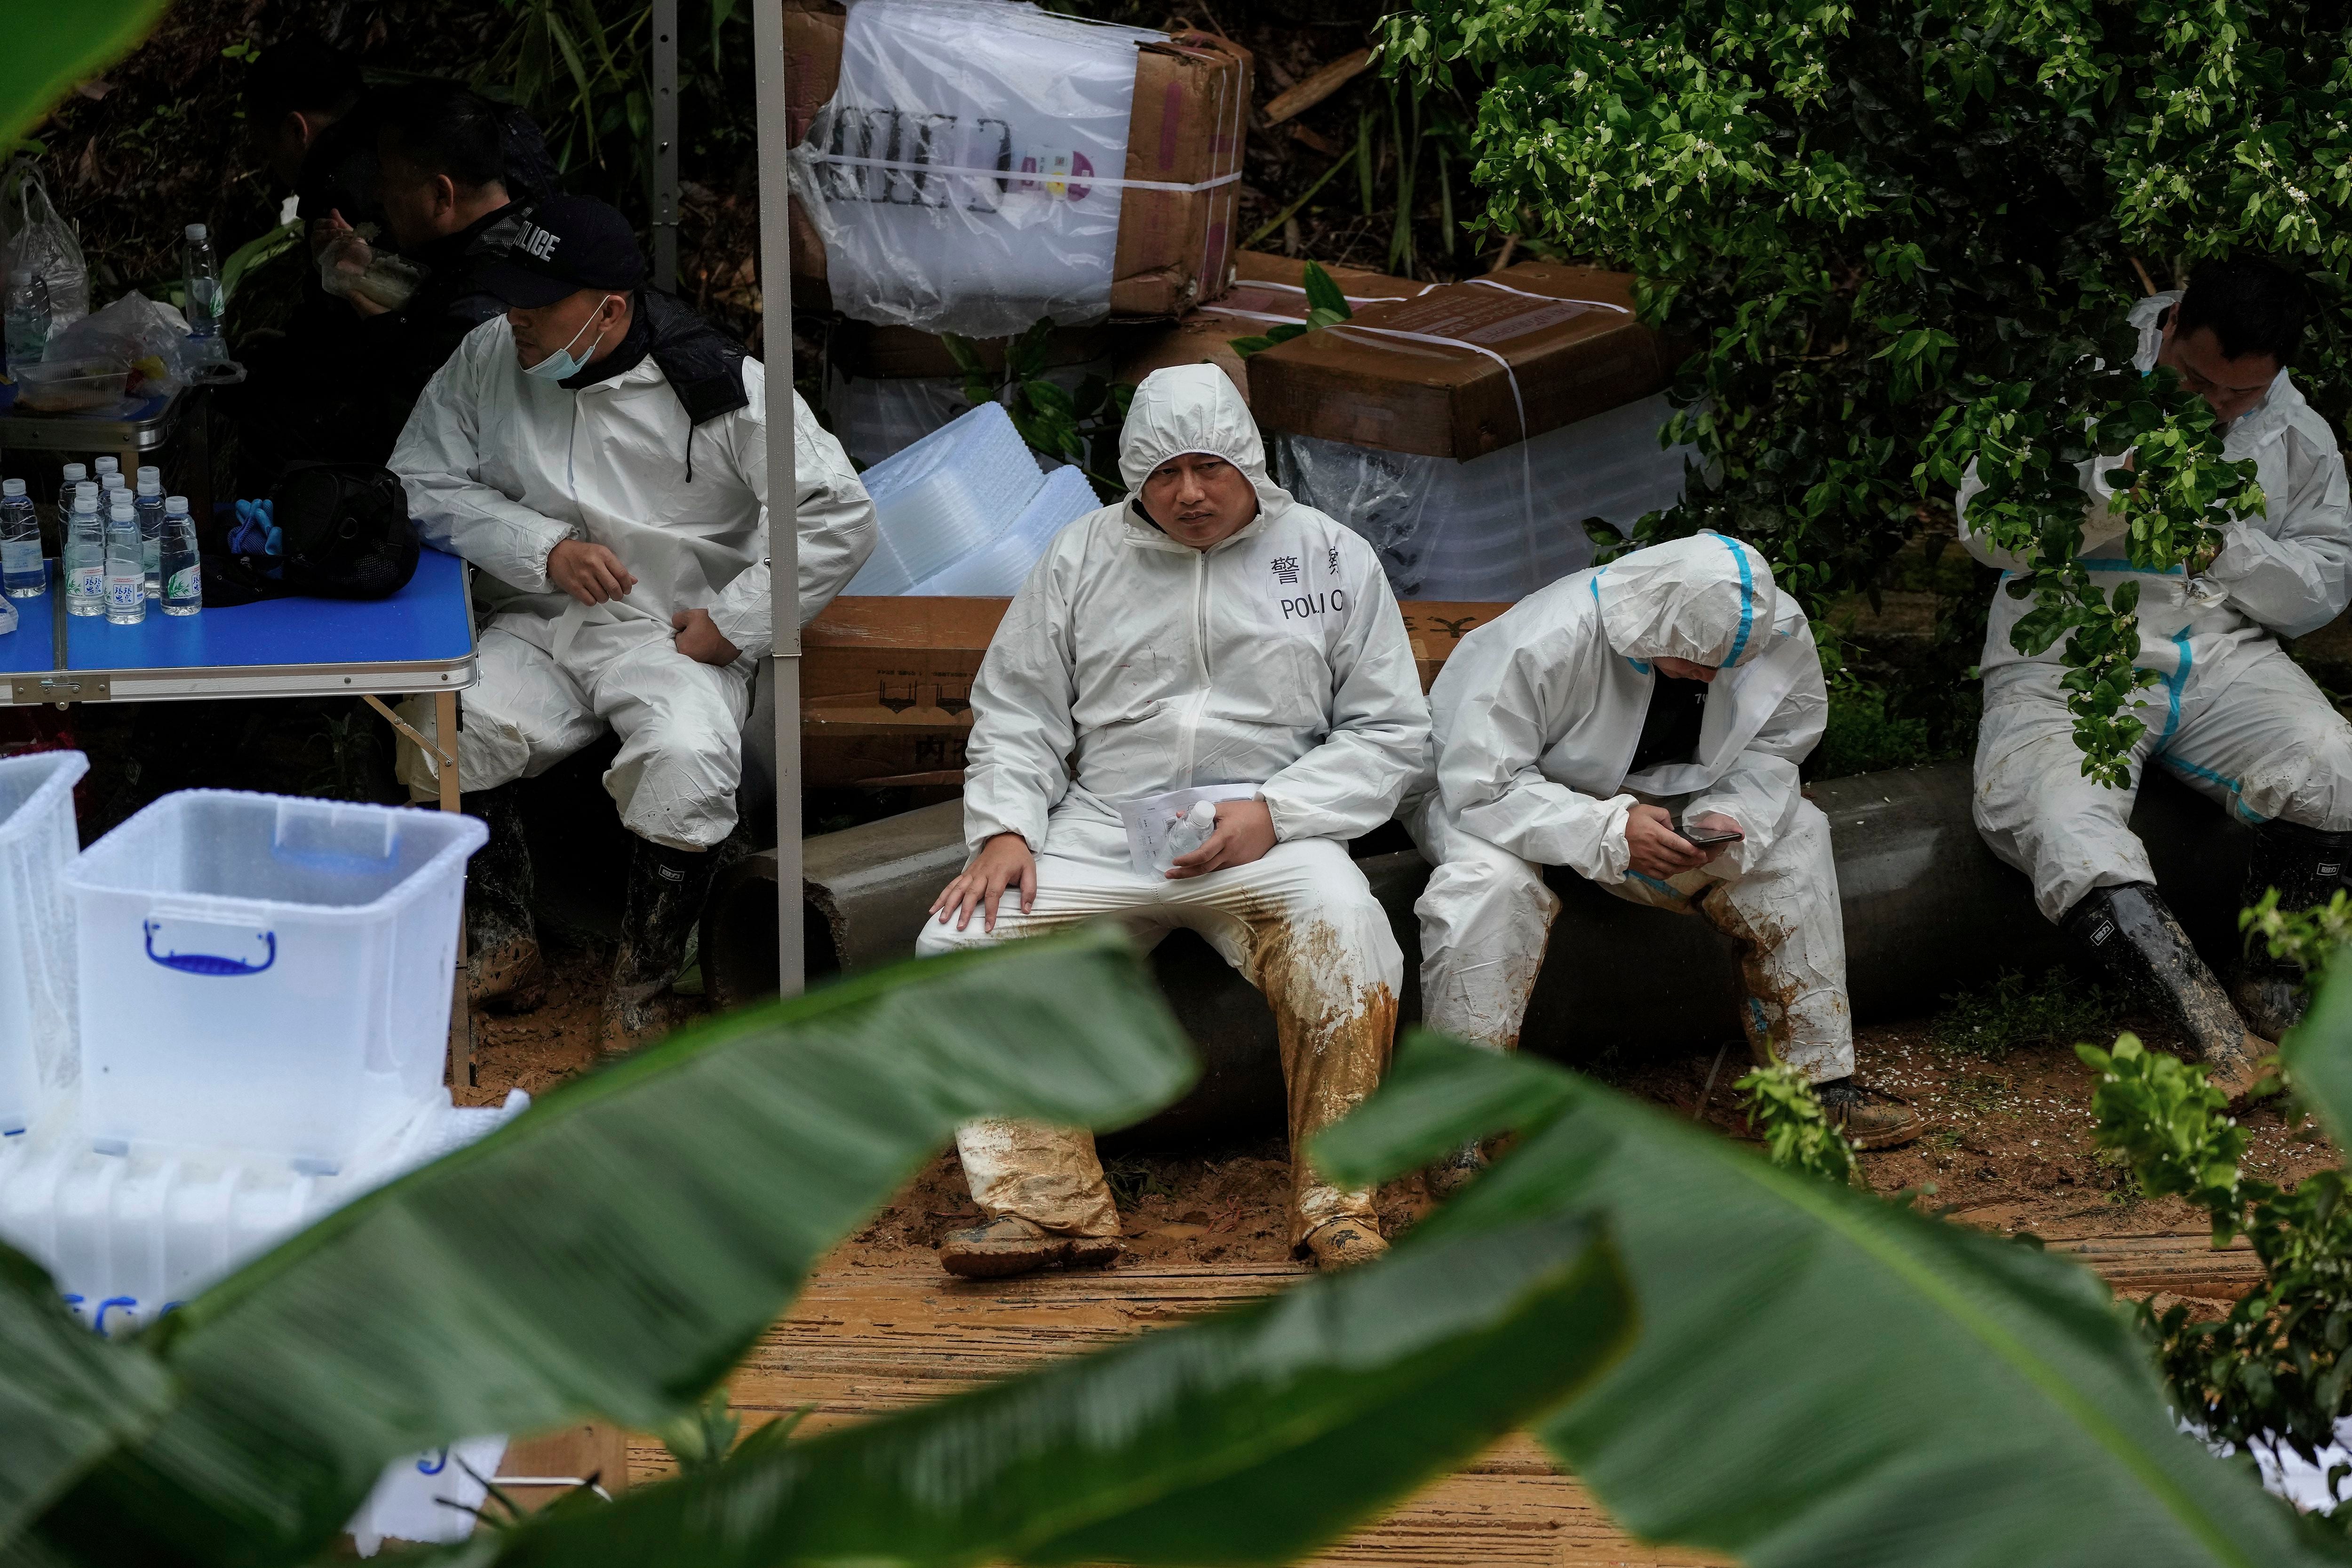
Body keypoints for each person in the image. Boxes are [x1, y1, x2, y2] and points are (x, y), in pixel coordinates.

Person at [919, 364, 1430, 1279]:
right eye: (1163, 474)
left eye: (1208, 467)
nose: (1188, 493)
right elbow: (1018, 710)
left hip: (1268, 835)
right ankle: (1050, 1208)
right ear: (1133, 479)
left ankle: (1338, 1204)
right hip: (1105, 832)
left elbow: (1393, 731)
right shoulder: (1080, 557)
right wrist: (1003, 829)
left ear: (1247, 461)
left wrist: (1277, 810)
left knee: (1349, 930)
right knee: (962, 941)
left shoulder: (1327, 557)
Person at [389, 195, 876, 1051]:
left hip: (669, 632)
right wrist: (543, 550)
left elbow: (836, 513)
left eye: (540, 306)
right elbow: (419, 479)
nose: (518, 320)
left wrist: (734, 624)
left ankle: (642, 986)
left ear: (610, 309)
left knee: (688, 758)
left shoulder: (720, 386)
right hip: (539, 618)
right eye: (513, 298)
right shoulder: (489, 355)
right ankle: (501, 942)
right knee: (447, 720)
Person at [1406, 533, 1921, 1181]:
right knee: (1488, 885)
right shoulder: (1545, 638)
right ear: (1647, 625)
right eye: (1692, 660)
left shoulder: (1775, 629)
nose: (1710, 677)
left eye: (1723, 666)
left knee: (1799, 834)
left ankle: (1815, 1091)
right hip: (1494, 799)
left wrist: (1731, 819)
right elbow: (1480, 784)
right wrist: (1611, 828)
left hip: (1660, 799)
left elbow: (1778, 748)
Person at [1960, 257, 2352, 1098]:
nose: (2215, 403)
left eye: (2238, 394)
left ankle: (2273, 985)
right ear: (2171, 326)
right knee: (2064, 824)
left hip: (2216, 658)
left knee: (2337, 765)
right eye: (2197, 380)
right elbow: (1983, 525)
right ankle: (2207, 1031)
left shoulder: (2298, 432)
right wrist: (2108, 495)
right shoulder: (2077, 383)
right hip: (2064, 661)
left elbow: (2323, 586)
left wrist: (2224, 546)